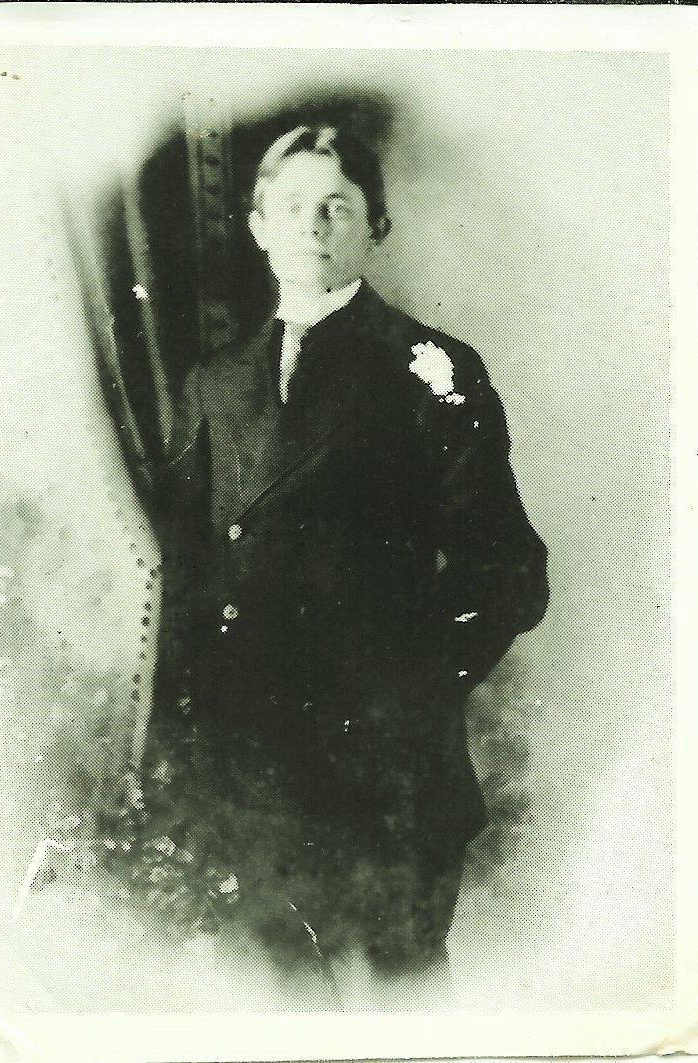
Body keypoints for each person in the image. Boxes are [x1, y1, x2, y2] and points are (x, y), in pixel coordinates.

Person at [119, 122, 549, 982]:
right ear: (257, 227)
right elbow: (192, 573)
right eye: (290, 207)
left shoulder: (431, 368)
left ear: (374, 226)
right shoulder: (215, 381)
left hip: (384, 776)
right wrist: (178, 745)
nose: (311, 225)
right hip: (251, 774)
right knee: (280, 1005)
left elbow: (508, 574)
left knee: (399, 1001)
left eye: (336, 207)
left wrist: (400, 691)